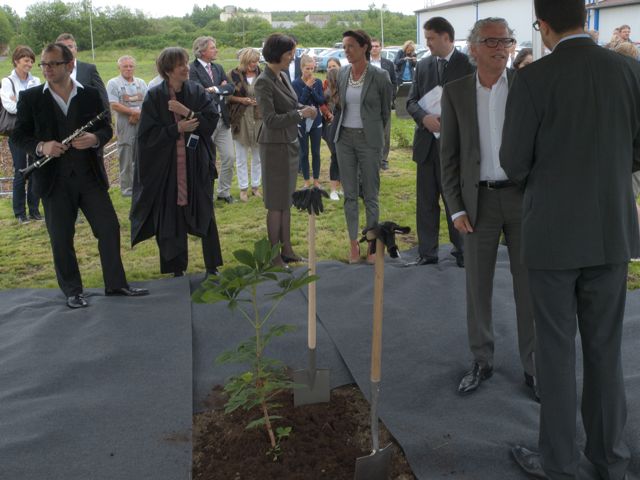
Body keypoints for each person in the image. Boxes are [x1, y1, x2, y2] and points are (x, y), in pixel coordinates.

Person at [501, 0, 640, 478]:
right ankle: (609, 459)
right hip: (611, 232)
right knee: (606, 349)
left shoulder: (533, 78)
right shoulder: (628, 70)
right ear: (586, 17)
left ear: (541, 25)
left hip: (553, 236)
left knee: (556, 354)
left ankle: (558, 463)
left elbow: (514, 162)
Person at [440, 18, 537, 400]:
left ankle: (534, 367)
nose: (501, 47)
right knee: (477, 286)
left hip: (523, 198)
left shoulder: (527, 86)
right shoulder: (456, 92)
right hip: (477, 202)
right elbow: (448, 156)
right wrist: (455, 208)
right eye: (492, 41)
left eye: (507, 40)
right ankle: (482, 360)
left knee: (530, 286)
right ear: (473, 47)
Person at [12, 43, 148, 308]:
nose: (47, 69)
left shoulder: (90, 95)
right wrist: (42, 147)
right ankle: (73, 290)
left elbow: (105, 129)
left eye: (53, 64)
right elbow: (19, 135)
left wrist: (95, 139)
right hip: (53, 179)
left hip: (89, 177)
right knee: (61, 237)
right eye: (44, 64)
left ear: (69, 65)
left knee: (108, 228)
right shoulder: (31, 98)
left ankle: (116, 283)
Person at [131, 47, 223, 279]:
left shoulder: (197, 91)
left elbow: (211, 120)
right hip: (168, 167)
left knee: (204, 211)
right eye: (180, 64)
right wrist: (176, 129)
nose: (186, 68)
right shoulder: (155, 96)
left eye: (186, 63)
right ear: (168, 70)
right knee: (170, 216)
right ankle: (176, 269)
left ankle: (212, 266)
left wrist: (189, 113)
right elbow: (146, 138)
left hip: (195, 164)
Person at [407, 17, 475, 267]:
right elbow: (411, 101)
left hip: (456, 147)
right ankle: (427, 252)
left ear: (447, 37)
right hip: (426, 146)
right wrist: (424, 118)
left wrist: (450, 120)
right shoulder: (422, 65)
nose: (427, 43)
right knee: (426, 201)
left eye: (431, 38)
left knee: (454, 200)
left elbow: (474, 103)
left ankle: (463, 251)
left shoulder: (468, 64)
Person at [254, 33, 316, 267]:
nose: (293, 57)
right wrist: (300, 114)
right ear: (278, 53)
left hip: (289, 143)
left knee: (286, 200)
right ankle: (273, 255)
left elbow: (291, 104)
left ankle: (287, 249)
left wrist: (304, 108)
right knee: (275, 203)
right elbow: (270, 119)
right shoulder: (263, 81)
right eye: (290, 53)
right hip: (273, 147)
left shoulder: (282, 76)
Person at [333, 29, 391, 264]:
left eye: (351, 46)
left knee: (370, 193)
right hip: (344, 139)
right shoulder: (343, 72)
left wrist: (379, 143)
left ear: (364, 47)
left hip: (369, 141)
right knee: (349, 195)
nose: (346, 51)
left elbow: (386, 113)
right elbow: (340, 106)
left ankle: (373, 243)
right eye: (344, 47)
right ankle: (352, 244)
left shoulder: (380, 76)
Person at [189, 36, 236, 204]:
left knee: (229, 157)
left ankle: (224, 192)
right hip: (204, 123)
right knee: (205, 160)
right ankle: (204, 194)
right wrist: (219, 89)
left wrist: (215, 88)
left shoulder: (218, 67)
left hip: (223, 120)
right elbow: (197, 92)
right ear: (201, 51)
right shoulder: (192, 69)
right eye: (212, 48)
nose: (216, 50)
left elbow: (231, 88)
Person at [1, 45, 42, 224]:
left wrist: (19, 102)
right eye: (26, 60)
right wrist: (27, 105)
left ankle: (34, 210)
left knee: (35, 169)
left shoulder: (36, 80)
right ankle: (20, 213)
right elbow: (8, 106)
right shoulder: (7, 82)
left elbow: (41, 104)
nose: (29, 64)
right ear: (17, 60)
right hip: (16, 132)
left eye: (32, 61)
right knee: (20, 171)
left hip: (34, 133)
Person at [106, 55, 147, 197]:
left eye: (131, 66)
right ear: (119, 68)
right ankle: (127, 190)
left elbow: (147, 102)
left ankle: (140, 186)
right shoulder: (113, 83)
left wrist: (138, 114)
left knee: (140, 155)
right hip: (125, 123)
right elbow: (114, 104)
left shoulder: (141, 83)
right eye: (125, 66)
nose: (128, 69)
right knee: (126, 156)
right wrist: (132, 112)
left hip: (141, 122)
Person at [227, 47, 262, 202]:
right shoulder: (232, 75)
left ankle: (256, 186)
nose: (254, 64)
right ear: (244, 61)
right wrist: (242, 100)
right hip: (240, 118)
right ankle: (243, 189)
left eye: (256, 61)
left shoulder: (262, 74)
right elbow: (227, 96)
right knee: (241, 156)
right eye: (252, 62)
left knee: (258, 156)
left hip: (259, 117)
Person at [292, 54, 326, 189]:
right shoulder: (295, 84)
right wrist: (307, 88)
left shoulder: (317, 82)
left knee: (316, 152)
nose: (310, 71)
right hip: (301, 121)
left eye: (312, 68)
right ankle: (306, 181)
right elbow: (300, 102)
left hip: (316, 121)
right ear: (301, 68)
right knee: (304, 152)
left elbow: (320, 100)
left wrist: (312, 89)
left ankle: (316, 181)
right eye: (307, 69)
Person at [55, 33, 109, 110]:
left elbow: (102, 97)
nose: (67, 50)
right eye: (63, 47)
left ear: (76, 49)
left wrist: (107, 120)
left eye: (70, 46)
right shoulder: (51, 71)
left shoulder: (89, 69)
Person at [370, 38, 397, 170]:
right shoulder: (364, 63)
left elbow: (394, 82)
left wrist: (391, 99)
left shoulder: (388, 64)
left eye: (376, 46)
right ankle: (371, 157)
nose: (374, 48)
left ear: (381, 48)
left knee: (385, 133)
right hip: (368, 104)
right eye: (372, 46)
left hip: (384, 103)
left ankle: (383, 159)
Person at [322, 62, 342, 200]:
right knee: (335, 157)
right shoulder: (326, 91)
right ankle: (333, 189)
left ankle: (342, 187)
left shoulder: (343, 90)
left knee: (343, 158)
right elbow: (321, 104)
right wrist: (329, 115)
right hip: (330, 126)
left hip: (342, 127)